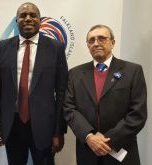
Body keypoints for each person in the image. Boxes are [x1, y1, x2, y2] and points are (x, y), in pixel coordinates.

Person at [0, 2, 68, 165]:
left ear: (40, 20)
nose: (28, 19)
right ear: (16, 20)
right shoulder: (4, 47)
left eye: (33, 15)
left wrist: (59, 131)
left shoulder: (56, 48)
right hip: (12, 124)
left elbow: (62, 92)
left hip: (44, 126)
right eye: (23, 16)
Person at [63, 24, 147, 165]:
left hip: (121, 151)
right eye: (92, 40)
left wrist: (108, 140)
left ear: (112, 42)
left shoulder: (133, 71)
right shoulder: (74, 74)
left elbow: (137, 113)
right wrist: (89, 137)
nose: (96, 43)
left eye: (102, 38)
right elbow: (69, 109)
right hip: (88, 151)